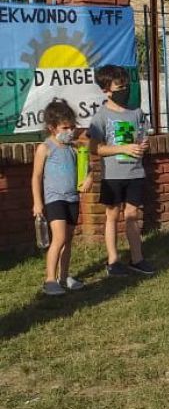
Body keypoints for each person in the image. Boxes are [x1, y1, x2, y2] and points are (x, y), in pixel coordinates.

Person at [88, 65, 155, 277]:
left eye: (126, 85)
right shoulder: (101, 116)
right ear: (106, 90)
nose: (124, 89)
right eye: (119, 86)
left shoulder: (136, 112)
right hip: (113, 176)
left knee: (133, 214)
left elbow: (143, 137)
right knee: (113, 215)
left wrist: (143, 145)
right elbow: (95, 148)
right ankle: (113, 260)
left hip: (135, 172)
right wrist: (122, 148)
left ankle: (137, 258)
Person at [31, 99, 93, 295]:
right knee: (58, 237)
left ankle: (64, 276)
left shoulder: (75, 149)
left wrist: (90, 178)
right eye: (65, 127)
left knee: (68, 239)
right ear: (52, 128)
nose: (70, 131)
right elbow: (36, 176)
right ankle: (50, 279)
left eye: (72, 127)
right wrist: (37, 202)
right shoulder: (45, 148)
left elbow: (88, 170)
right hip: (54, 199)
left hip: (72, 198)